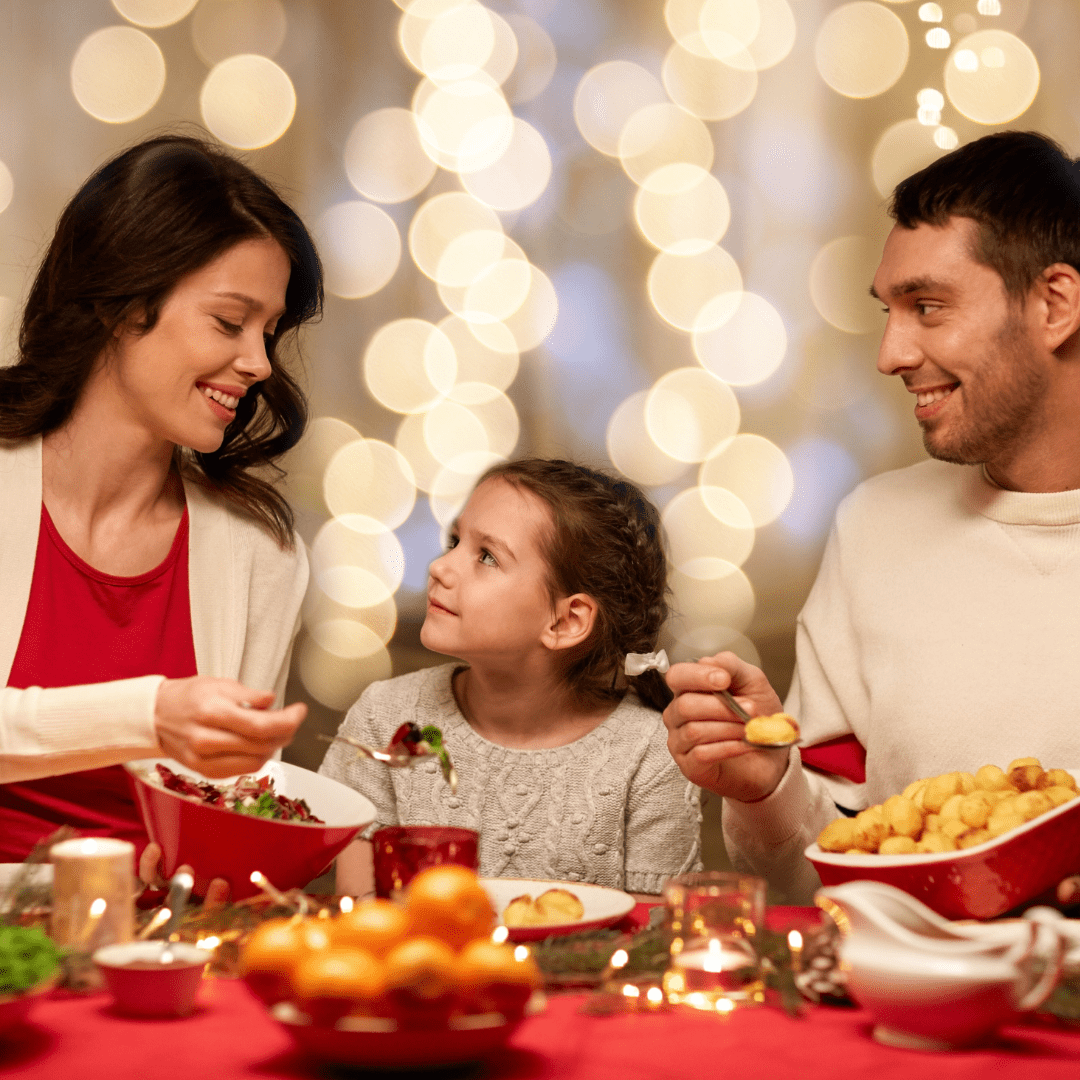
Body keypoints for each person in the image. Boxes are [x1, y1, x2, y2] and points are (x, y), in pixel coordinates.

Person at [662, 130, 1080, 902]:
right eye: (889, 310)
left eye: (927, 306)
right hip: (910, 1007)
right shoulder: (873, 529)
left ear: (1054, 304)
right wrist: (767, 787)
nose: (890, 353)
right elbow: (834, 870)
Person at [0, 134, 323, 873]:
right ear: (124, 302)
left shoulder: (260, 553)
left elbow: (232, 804)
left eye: (268, 330)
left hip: (151, 953)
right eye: (228, 321)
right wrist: (150, 715)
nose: (259, 362)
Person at [320, 458, 702, 897]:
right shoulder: (384, 717)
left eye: (486, 556)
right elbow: (361, 916)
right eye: (455, 541)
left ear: (566, 620)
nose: (440, 568)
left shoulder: (653, 754)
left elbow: (650, 939)